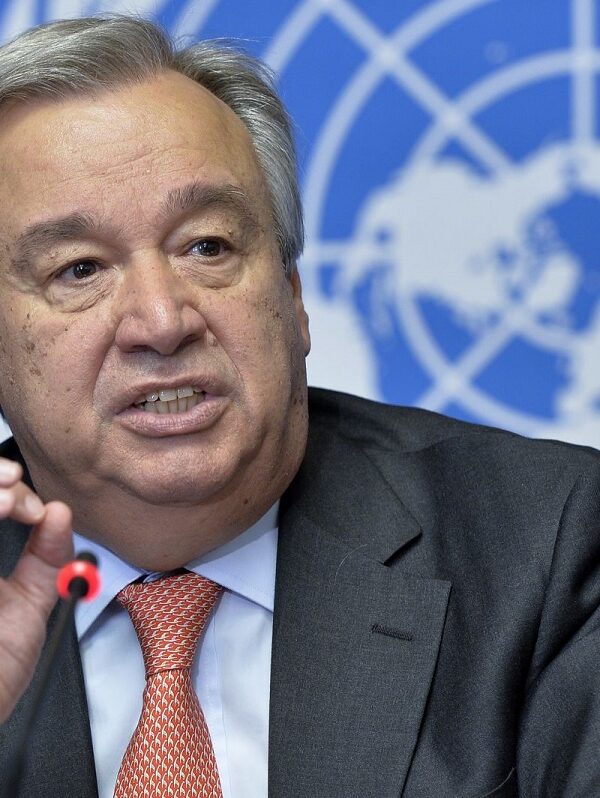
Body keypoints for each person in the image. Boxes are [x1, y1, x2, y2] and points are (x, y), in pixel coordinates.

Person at [0, 15, 598, 798]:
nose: (162, 320)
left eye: (207, 247)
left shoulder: (547, 545)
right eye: (79, 269)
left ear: (292, 296)